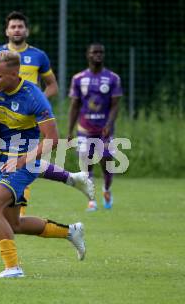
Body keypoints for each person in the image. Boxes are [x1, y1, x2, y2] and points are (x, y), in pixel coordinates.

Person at [0, 11, 93, 221]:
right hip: (0, 115)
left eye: (20, 26)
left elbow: (52, 86)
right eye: (13, 26)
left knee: (20, 162)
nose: (17, 30)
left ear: (26, 30)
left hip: (24, 121)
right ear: (7, 30)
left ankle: (3, 208)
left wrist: (34, 106)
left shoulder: (38, 56)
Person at [0, 50, 85, 278]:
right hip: (2, 160)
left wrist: (21, 160)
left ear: (15, 73)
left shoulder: (33, 96)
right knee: (14, 224)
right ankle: (71, 231)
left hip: (24, 162)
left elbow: (53, 140)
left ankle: (12, 268)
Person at [68, 43, 122, 211]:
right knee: (86, 163)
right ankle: (91, 200)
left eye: (101, 52)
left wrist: (109, 124)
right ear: (88, 55)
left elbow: (115, 105)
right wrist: (69, 131)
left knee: (106, 163)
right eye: (94, 52)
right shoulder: (78, 79)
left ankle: (106, 189)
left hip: (104, 129)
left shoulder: (113, 78)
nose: (98, 55)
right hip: (84, 128)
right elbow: (75, 105)